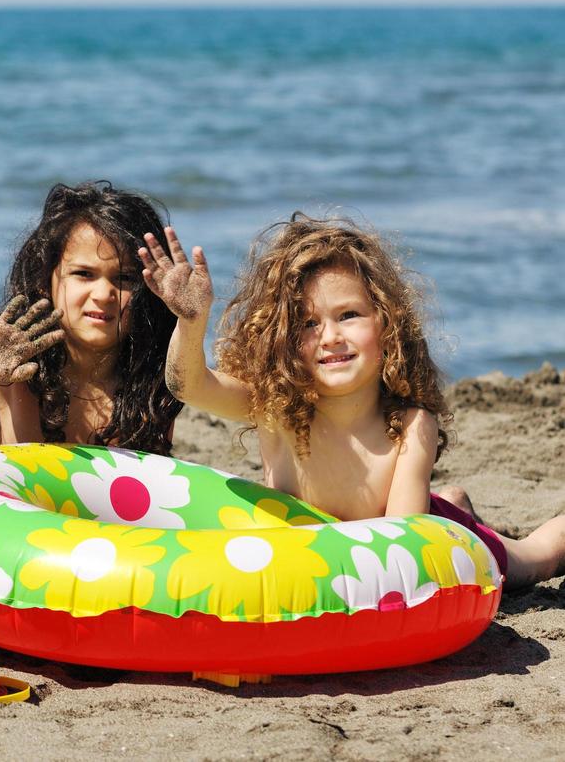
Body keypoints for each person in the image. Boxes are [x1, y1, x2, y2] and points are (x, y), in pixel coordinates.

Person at [141, 215, 565, 590]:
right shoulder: (276, 405)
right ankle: (449, 500)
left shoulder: (411, 423)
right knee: (440, 503)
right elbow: (189, 386)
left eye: (348, 315)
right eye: (308, 323)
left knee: (535, 559)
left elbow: (404, 547)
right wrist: (191, 322)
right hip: (333, 553)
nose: (330, 337)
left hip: (426, 535)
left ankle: (457, 510)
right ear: (284, 340)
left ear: (387, 323)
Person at [0, 181, 182, 461]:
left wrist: (191, 321)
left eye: (125, 279)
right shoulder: (15, 339)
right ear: (45, 279)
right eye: (84, 274)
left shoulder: (153, 371)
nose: (103, 294)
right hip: (13, 485)